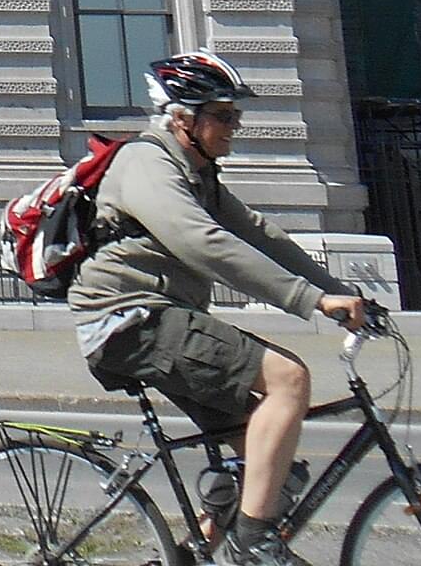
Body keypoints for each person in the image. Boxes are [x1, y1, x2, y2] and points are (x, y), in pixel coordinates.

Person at [71, 51, 369, 565]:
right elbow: (201, 242)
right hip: (130, 319)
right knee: (289, 379)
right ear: (183, 118)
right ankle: (254, 547)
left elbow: (257, 234)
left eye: (236, 116)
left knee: (266, 460)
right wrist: (311, 300)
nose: (234, 126)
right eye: (224, 116)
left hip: (164, 319)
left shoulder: (199, 172)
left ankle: (197, 554)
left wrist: (341, 293)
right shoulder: (146, 162)